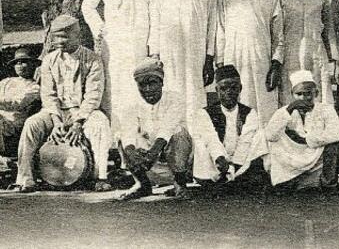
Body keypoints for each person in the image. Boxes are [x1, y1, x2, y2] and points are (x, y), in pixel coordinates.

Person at [14, 15, 113, 192]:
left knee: (101, 124)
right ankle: (25, 178)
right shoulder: (49, 60)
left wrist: (77, 123)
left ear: (78, 36)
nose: (59, 41)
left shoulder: (92, 59)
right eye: (56, 37)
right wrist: (57, 122)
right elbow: (48, 94)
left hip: (83, 112)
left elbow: (93, 95)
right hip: (55, 112)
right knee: (31, 124)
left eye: (64, 37)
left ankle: (99, 176)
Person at [80, 0, 155, 135]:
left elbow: (157, 19)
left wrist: (153, 48)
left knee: (138, 89)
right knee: (115, 90)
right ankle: (117, 141)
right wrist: (99, 28)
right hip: (113, 46)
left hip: (140, 46)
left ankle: (141, 140)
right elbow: (87, 6)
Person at [150, 0, 220, 120]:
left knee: (194, 95)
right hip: (168, 50)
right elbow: (155, 16)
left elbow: (213, 20)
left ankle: (197, 143)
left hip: (196, 51)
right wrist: (155, 52)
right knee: (171, 94)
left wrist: (209, 57)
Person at [215, 0, 284, 127]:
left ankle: (266, 150)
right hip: (234, 61)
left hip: (262, 61)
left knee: (265, 106)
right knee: (237, 105)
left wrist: (276, 64)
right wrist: (221, 64)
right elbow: (220, 30)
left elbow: (278, 34)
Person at [118, 58, 194, 200]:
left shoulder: (175, 99)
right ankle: (143, 184)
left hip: (175, 164)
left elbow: (167, 128)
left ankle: (180, 184)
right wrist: (133, 154)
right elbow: (127, 132)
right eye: (142, 85)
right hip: (147, 165)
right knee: (121, 139)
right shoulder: (132, 103)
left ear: (161, 82)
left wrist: (152, 154)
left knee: (179, 132)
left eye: (152, 83)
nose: (147, 90)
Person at [189, 64, 269, 189]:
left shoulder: (249, 113)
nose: (229, 92)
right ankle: (224, 180)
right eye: (224, 88)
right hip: (216, 163)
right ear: (217, 90)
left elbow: (245, 143)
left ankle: (231, 179)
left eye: (233, 88)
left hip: (240, 163)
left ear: (240, 88)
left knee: (260, 135)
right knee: (201, 141)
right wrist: (220, 159)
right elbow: (211, 140)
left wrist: (233, 167)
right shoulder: (204, 113)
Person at [264, 70, 339, 189]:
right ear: (292, 94)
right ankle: (289, 181)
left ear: (316, 93)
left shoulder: (326, 109)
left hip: (316, 157)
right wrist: (290, 110)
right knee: (275, 138)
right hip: (291, 159)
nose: (303, 98)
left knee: (333, 146)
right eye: (299, 94)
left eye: (308, 93)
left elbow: (336, 134)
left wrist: (305, 140)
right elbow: (270, 135)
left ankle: (327, 185)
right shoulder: (284, 111)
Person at [278, 0, 334, 104]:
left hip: (315, 51)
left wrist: (332, 59)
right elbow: (278, 30)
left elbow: (328, 30)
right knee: (291, 90)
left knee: (316, 90)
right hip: (291, 53)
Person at [0, 48, 40, 156]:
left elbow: (17, 103)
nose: (20, 66)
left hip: (14, 121)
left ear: (33, 64)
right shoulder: (6, 82)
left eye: (24, 62)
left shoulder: (34, 87)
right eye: (17, 63)